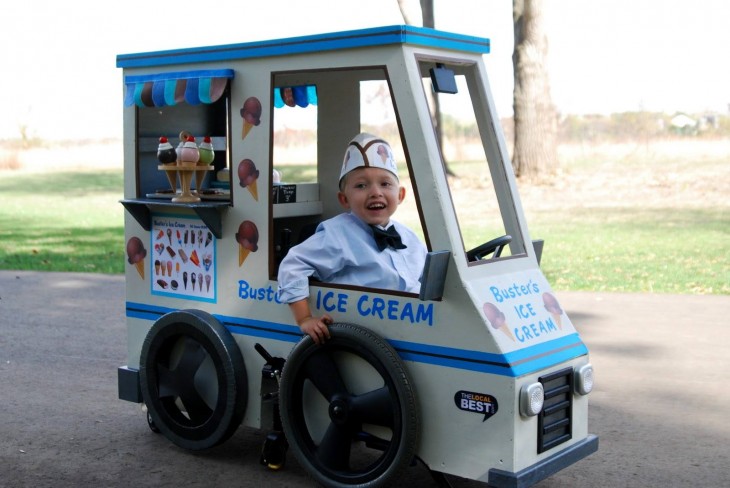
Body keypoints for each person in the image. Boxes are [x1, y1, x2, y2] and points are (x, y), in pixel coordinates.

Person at [277, 133, 428, 344]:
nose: (375, 192)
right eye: (361, 186)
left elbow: (427, 278)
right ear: (344, 199)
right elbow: (293, 265)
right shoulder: (336, 235)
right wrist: (305, 318)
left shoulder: (409, 237)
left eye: (385, 184)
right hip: (366, 336)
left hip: (416, 331)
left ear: (400, 195)